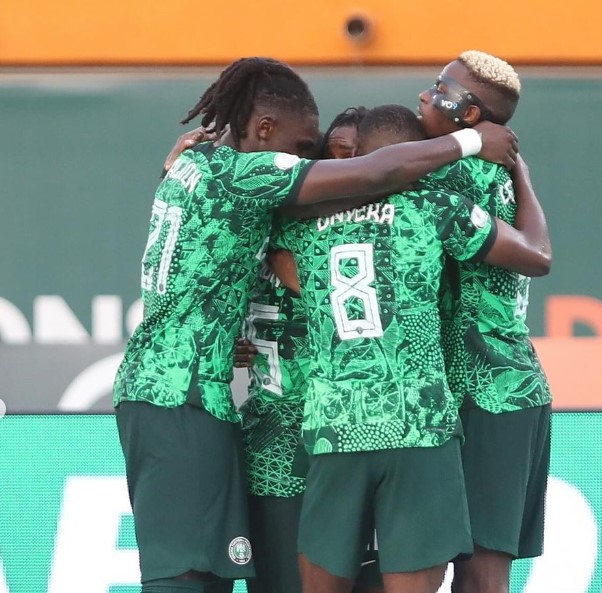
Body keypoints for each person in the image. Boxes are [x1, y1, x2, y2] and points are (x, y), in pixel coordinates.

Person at [114, 56, 517, 593]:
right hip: (181, 397)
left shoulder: (194, 166)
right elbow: (372, 176)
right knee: (184, 574)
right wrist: (468, 142)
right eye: (304, 147)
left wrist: (221, 334)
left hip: (183, 391)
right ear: (264, 128)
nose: (307, 160)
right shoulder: (243, 176)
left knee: (207, 572)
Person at [272, 104, 549, 593]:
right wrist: (519, 171)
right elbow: (535, 255)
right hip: (420, 425)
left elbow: (280, 264)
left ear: (363, 157)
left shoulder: (295, 223)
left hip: (334, 427)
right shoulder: (438, 206)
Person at [416, 50, 552, 593]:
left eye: (440, 88)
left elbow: (538, 257)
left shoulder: (453, 173)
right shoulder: (495, 169)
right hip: (502, 389)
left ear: (470, 114)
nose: (426, 95)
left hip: (487, 393)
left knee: (479, 572)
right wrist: (522, 171)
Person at [240, 106, 381, 593]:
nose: (348, 166)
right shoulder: (278, 223)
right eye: (335, 154)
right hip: (280, 444)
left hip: (363, 441)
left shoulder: (390, 233)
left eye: (361, 156)